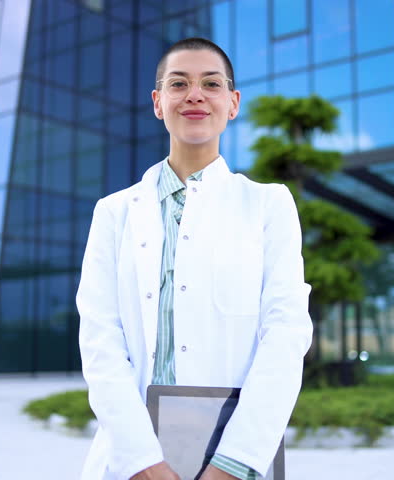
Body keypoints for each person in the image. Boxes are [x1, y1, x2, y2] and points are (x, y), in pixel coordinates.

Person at [76, 37, 313, 480]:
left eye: (211, 83)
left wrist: (233, 463)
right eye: (179, 84)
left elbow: (285, 333)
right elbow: (100, 342)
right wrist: (143, 462)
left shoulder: (268, 205)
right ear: (158, 102)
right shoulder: (114, 212)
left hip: (233, 451)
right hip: (129, 457)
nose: (195, 95)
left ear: (233, 101)